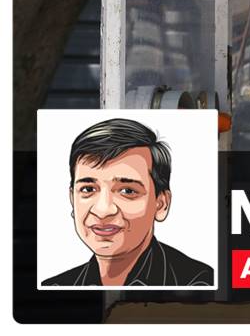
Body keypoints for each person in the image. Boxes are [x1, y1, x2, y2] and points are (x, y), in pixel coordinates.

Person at [42, 118, 213, 287]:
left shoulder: (198, 283)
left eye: (127, 191)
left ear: (161, 204)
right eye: (88, 189)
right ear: (72, 198)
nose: (103, 210)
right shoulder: (55, 287)